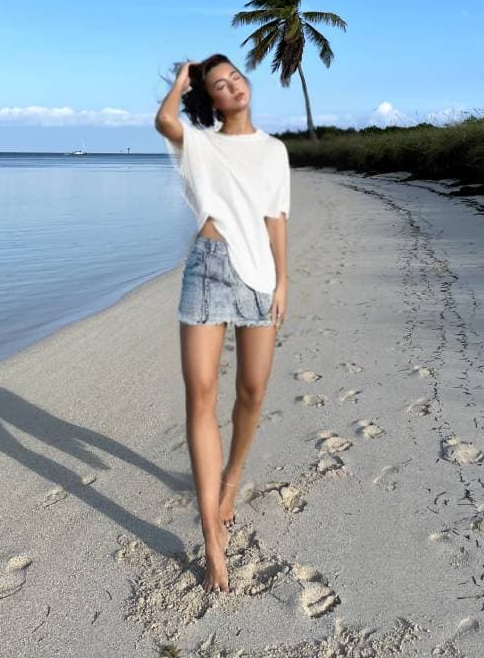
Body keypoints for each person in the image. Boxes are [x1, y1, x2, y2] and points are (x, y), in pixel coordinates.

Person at [154, 54, 290, 593]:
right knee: (201, 395)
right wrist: (181, 79)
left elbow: (276, 217)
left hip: (260, 276)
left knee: (253, 392)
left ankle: (232, 479)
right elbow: (165, 122)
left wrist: (284, 281)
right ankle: (211, 537)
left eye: (235, 78)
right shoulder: (200, 143)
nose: (232, 87)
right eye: (219, 85)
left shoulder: (275, 151)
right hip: (209, 268)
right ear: (208, 98)